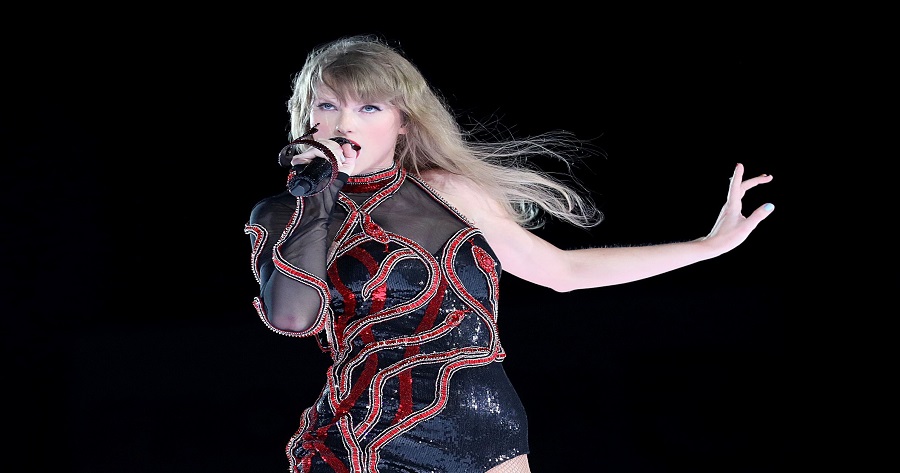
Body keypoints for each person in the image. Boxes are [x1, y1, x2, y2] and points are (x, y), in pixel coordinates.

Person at [244, 34, 775, 473]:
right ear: (306, 117)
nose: (345, 124)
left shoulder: (446, 192)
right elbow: (292, 316)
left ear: (402, 121)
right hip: (362, 439)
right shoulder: (283, 213)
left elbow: (563, 271)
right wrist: (317, 197)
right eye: (328, 105)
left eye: (369, 107)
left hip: (486, 428)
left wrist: (707, 247)